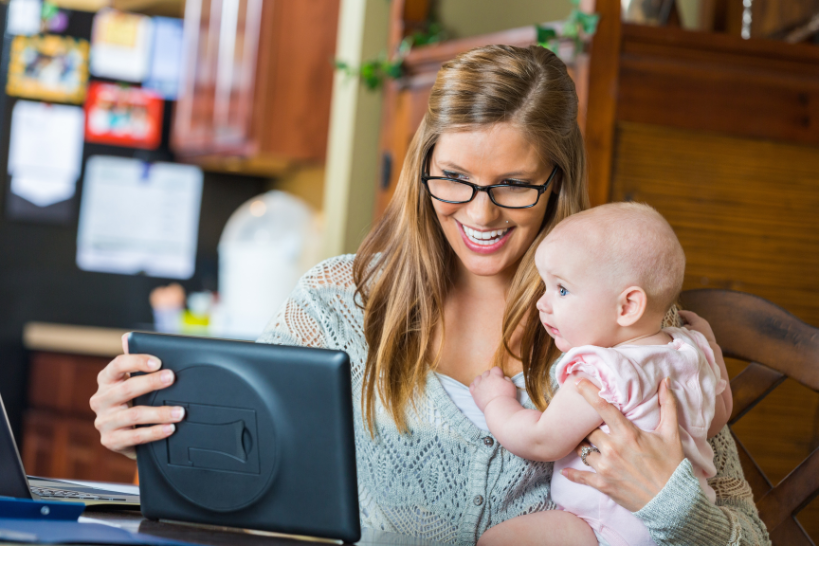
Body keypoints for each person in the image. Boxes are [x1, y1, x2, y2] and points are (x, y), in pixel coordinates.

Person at [89, 45, 769, 545]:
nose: (479, 215)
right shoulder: (336, 302)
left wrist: (671, 503)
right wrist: (153, 436)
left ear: (557, 183)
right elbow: (248, 474)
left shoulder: (633, 329)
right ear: (422, 171)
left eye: (513, 185)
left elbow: (754, 545)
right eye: (454, 179)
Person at [470, 203, 732, 545]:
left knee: (496, 543)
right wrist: (710, 346)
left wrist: (496, 402)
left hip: (604, 529)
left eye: (561, 290)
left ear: (626, 307)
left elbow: (540, 439)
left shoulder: (604, 371)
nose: (542, 303)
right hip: (675, 531)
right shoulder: (686, 352)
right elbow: (717, 418)